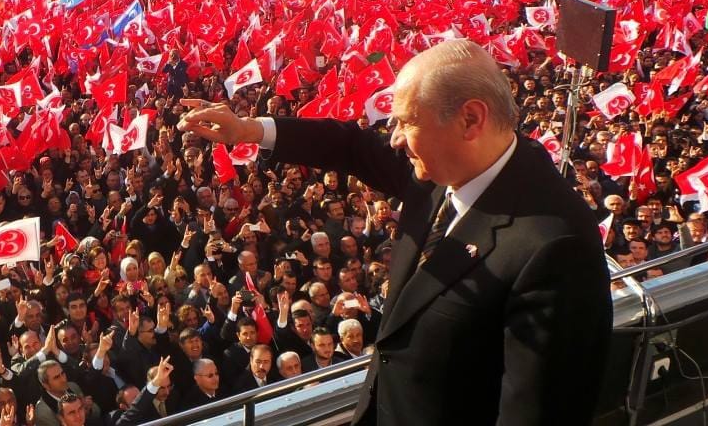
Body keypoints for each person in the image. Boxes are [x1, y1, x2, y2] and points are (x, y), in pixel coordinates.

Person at [178, 39, 613, 425]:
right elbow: (351, 146)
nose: (395, 141)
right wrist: (248, 130)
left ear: (470, 120)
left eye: (407, 122)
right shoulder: (445, 167)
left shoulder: (556, 247)